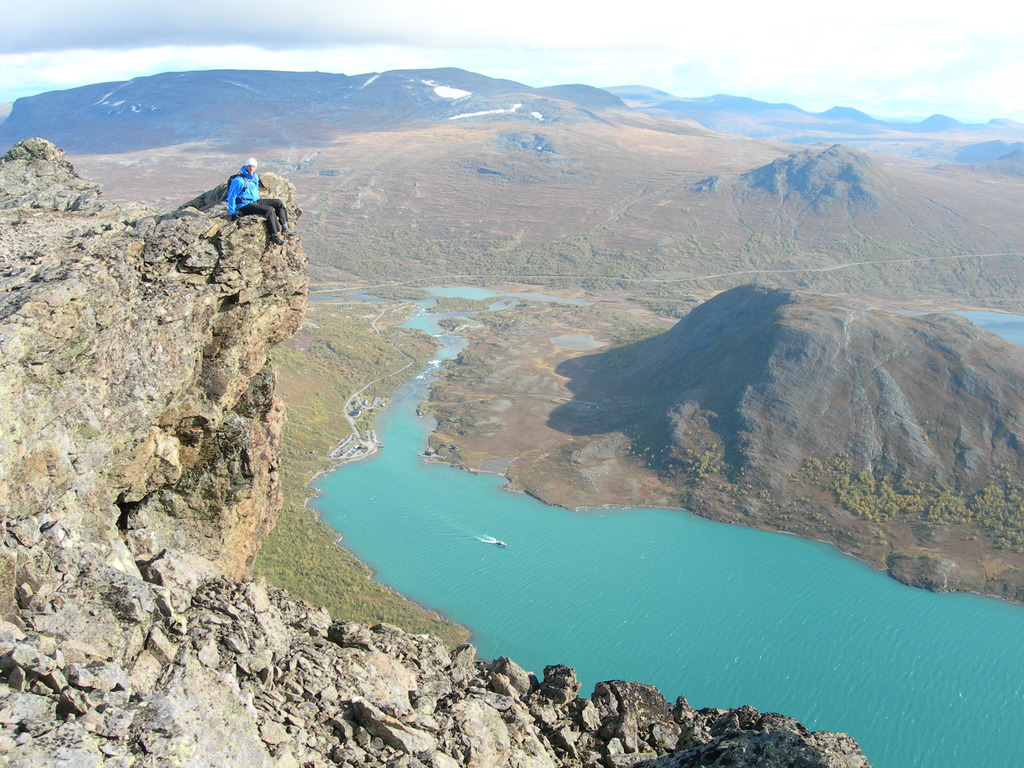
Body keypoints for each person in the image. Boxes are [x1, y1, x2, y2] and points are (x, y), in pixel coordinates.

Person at [226, 157, 291, 245]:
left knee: (278, 203)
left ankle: (285, 227)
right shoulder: (239, 180)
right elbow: (231, 197)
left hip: (256, 201)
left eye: (253, 166)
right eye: (249, 166)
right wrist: (233, 213)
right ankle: (273, 235)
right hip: (245, 205)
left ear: (256, 168)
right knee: (269, 210)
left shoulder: (255, 177)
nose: (251, 168)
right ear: (246, 167)